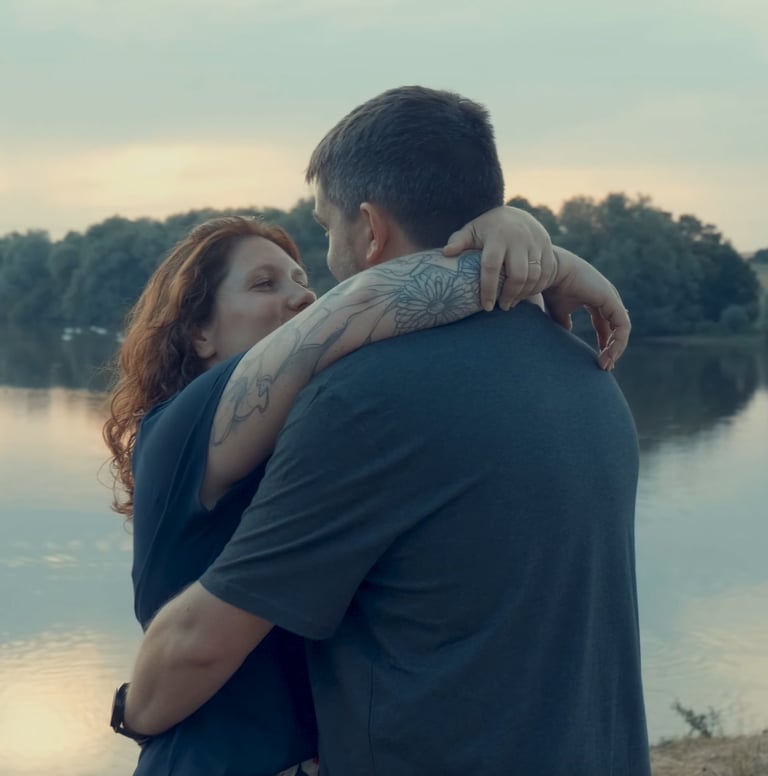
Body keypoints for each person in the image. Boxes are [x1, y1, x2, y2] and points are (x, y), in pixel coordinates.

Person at [117, 87, 649, 775]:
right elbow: (359, 304)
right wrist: (543, 256)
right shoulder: (587, 376)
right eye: (263, 284)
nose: (305, 295)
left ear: (368, 228)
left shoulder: (353, 407)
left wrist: (525, 240)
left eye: (316, 247)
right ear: (195, 328)